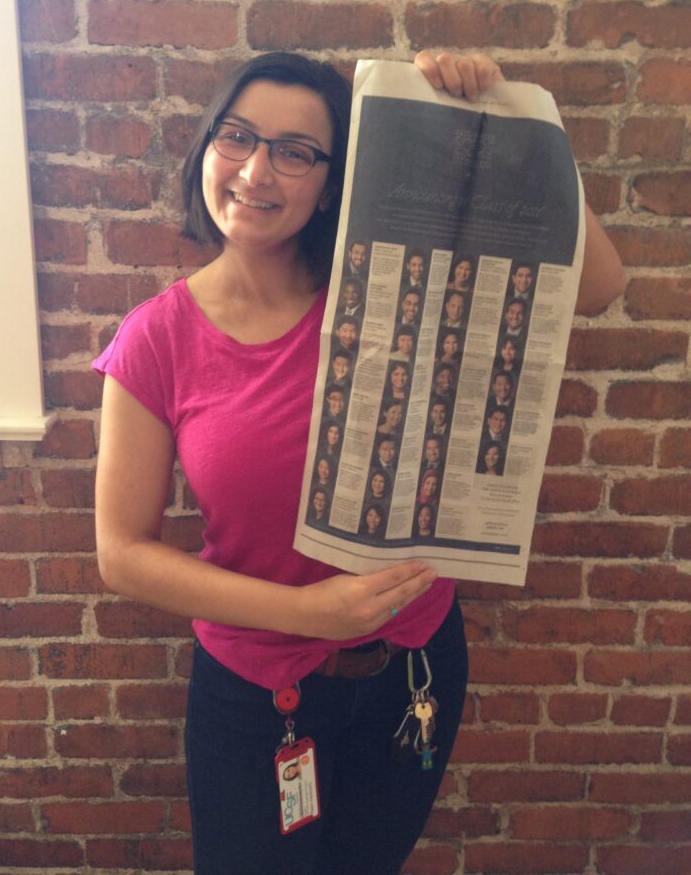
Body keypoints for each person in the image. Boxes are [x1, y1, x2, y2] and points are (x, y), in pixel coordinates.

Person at [93, 48, 626, 875]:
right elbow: (122, 554)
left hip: (412, 675)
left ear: (334, 178)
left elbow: (597, 285)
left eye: (296, 151)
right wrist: (310, 615)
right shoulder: (157, 337)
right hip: (255, 694)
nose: (256, 169)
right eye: (237, 137)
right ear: (205, 148)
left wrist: (504, 118)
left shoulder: (387, 286)